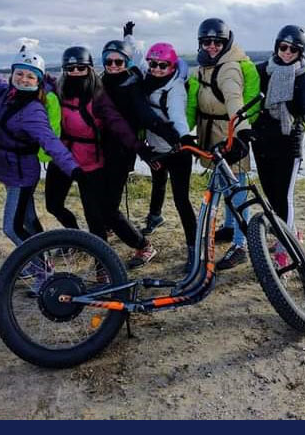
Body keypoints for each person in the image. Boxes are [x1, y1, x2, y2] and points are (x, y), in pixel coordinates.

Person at [44, 45, 163, 268]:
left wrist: (141, 148)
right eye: (71, 68)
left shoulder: (98, 96)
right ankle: (75, 239)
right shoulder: (58, 89)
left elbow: (118, 124)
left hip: (90, 162)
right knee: (53, 204)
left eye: (81, 67)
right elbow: (36, 78)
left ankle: (111, 262)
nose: (76, 72)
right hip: (62, 158)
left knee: (98, 216)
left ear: (89, 69)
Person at [0, 41, 81, 252]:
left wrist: (74, 169)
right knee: (29, 220)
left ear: (38, 81)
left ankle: (41, 270)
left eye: (31, 76)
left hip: (21, 176)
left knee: (11, 227)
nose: (24, 79)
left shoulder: (33, 111)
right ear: (12, 75)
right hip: (6, 169)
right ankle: (45, 257)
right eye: (20, 74)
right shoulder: (4, 93)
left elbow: (51, 142)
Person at [97, 22, 181, 268]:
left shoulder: (131, 84)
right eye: (109, 61)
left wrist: (173, 135)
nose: (113, 66)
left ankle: (143, 246)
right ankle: (107, 230)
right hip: (100, 150)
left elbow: (146, 116)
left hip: (123, 150)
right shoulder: (103, 82)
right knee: (102, 203)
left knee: (109, 207)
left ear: (127, 62)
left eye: (118, 62)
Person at [251, 24, 305, 268]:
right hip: (262, 139)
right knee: (271, 194)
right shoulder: (262, 70)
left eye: (293, 49)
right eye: (283, 47)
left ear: (300, 51)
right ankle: (291, 233)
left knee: (284, 197)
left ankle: (285, 251)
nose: (287, 52)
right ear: (276, 46)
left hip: (289, 140)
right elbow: (249, 99)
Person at [189, 17, 254, 270]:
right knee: (228, 187)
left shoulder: (228, 68)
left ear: (227, 42)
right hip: (214, 134)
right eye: (207, 42)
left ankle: (241, 246)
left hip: (228, 134)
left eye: (218, 42)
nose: (212, 46)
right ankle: (230, 227)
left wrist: (241, 135)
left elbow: (234, 100)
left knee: (237, 190)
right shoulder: (208, 64)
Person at [138, 41, 198, 272]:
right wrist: (130, 38)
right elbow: (135, 57)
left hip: (176, 150)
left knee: (181, 200)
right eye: (153, 64)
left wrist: (183, 137)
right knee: (158, 182)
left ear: (172, 67)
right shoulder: (147, 80)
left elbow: (177, 115)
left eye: (163, 65)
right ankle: (155, 216)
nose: (157, 69)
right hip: (156, 147)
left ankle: (194, 249)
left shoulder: (175, 89)